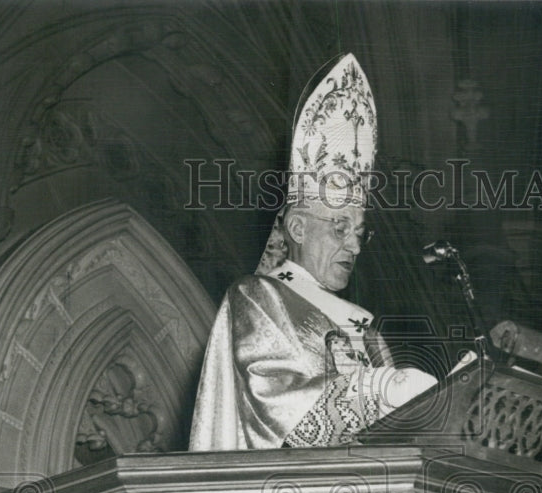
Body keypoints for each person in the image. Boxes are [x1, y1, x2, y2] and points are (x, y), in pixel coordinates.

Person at [188, 54, 461, 452]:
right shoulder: (258, 296)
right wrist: (380, 388)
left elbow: (392, 439)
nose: (353, 244)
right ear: (297, 227)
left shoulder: (366, 330)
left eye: (359, 233)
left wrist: (443, 397)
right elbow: (276, 402)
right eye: (340, 227)